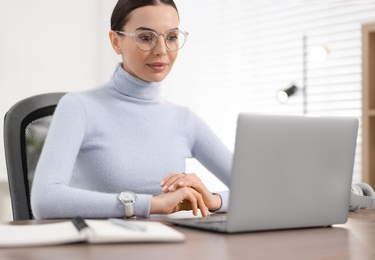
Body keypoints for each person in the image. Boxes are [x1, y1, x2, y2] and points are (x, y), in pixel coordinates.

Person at [31, 0, 232, 219]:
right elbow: (45, 200)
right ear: (116, 41)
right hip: (99, 249)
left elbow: (263, 191)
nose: (162, 50)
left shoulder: (185, 120)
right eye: (146, 38)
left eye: (172, 37)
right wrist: (151, 204)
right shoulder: (79, 107)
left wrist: (213, 200)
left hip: (167, 249)